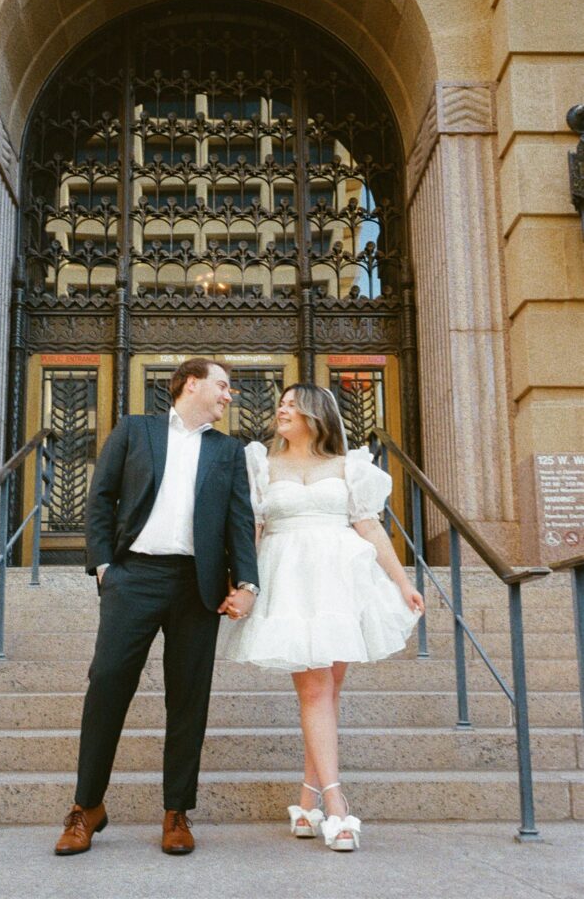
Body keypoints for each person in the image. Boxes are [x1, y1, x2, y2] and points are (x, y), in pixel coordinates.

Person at [54, 358, 259, 857]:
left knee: (188, 697)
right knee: (107, 684)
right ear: (192, 384)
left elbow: (239, 518)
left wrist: (248, 582)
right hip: (135, 577)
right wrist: (104, 567)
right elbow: (100, 499)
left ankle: (176, 811)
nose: (229, 396)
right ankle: (87, 807)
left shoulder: (228, 451)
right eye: (223, 386)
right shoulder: (135, 429)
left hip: (198, 585)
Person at [221, 383, 424, 852]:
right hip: (290, 581)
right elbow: (252, 529)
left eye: (292, 404)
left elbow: (369, 524)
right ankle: (336, 805)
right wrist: (242, 586)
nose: (282, 410)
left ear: (317, 414)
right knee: (314, 689)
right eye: (282, 404)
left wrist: (401, 580)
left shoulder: (348, 466)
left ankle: (307, 800)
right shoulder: (261, 464)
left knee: (330, 690)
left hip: (342, 579)